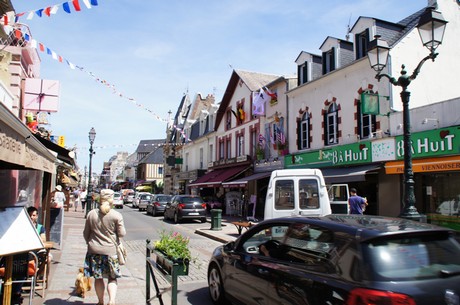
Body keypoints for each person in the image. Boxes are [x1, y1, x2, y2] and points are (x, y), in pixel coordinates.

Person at [83, 189, 126, 305]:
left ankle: (100, 301)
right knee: (112, 278)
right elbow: (122, 234)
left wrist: (92, 243)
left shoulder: (91, 214)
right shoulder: (116, 215)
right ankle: (111, 300)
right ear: (111, 200)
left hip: (94, 250)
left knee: (98, 277)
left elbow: (85, 233)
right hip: (111, 251)